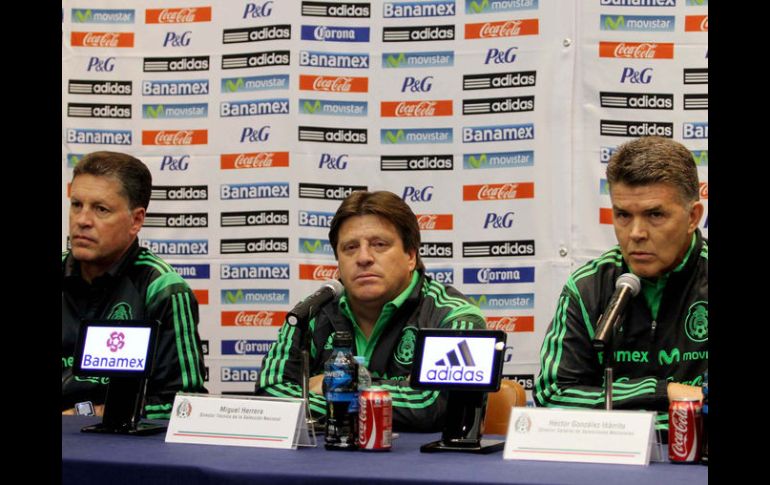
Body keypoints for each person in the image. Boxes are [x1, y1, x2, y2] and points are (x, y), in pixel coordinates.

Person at [255, 190, 486, 431]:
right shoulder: (309, 314)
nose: (363, 257)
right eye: (350, 247)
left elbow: (436, 406)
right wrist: (395, 395)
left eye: (379, 245)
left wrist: (331, 386)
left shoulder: (455, 317)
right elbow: (271, 397)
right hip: (328, 455)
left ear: (410, 256)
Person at [535, 136, 707, 432]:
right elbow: (554, 394)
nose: (636, 233)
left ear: (693, 217)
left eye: (655, 215)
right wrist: (663, 391)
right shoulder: (588, 286)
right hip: (610, 456)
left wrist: (623, 416)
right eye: (623, 215)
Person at [62, 151, 207, 418]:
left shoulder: (163, 289)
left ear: (136, 220)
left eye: (101, 209)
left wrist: (88, 414)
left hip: (121, 440)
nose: (82, 220)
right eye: (77, 205)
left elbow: (182, 405)